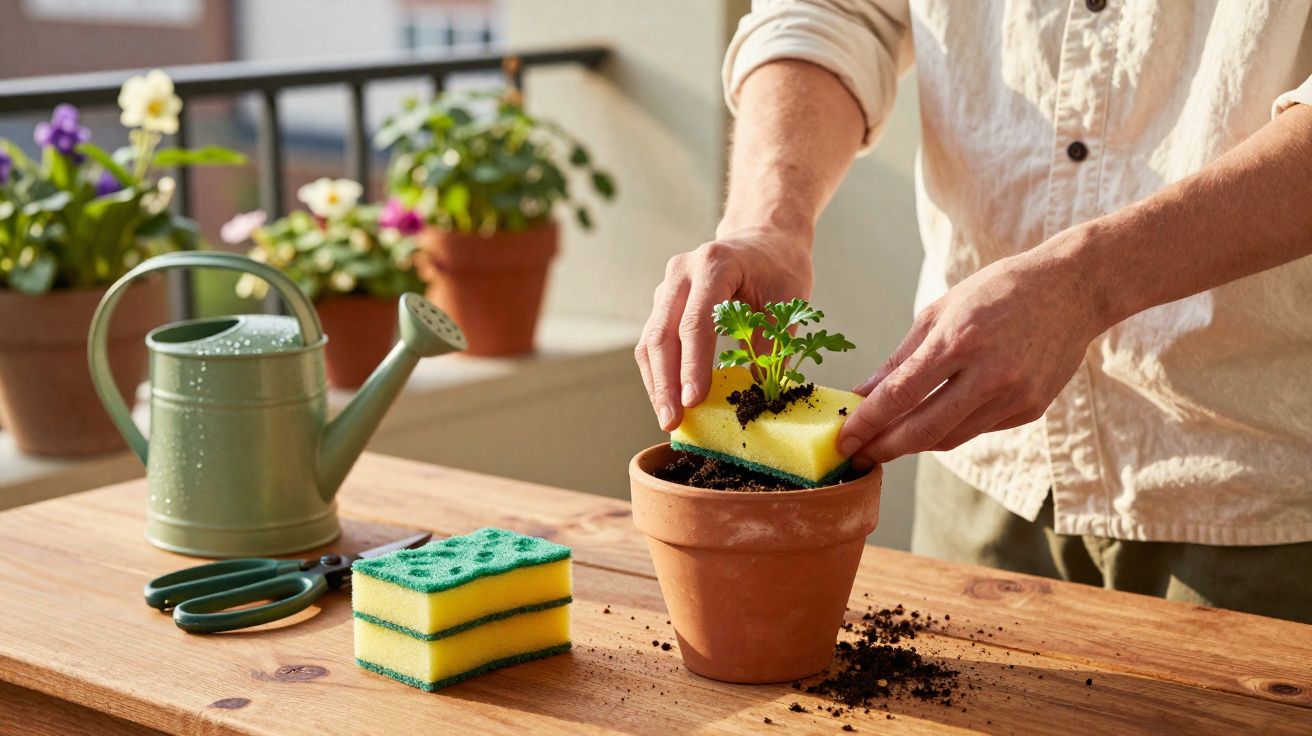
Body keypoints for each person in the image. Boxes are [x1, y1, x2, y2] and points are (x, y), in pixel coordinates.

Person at [634, 0, 1312, 623]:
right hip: (979, 470)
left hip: (1259, 488)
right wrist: (768, 221)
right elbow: (835, 11)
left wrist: (1090, 282)